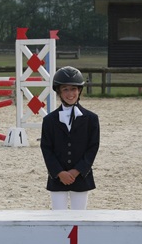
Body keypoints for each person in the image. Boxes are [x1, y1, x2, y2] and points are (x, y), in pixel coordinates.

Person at [40, 66, 100, 210]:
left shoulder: (91, 119)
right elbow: (46, 148)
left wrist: (77, 170)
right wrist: (59, 172)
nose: (70, 93)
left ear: (79, 91)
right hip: (57, 177)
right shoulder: (49, 120)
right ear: (59, 92)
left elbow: (93, 147)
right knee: (58, 218)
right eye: (65, 89)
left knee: (79, 218)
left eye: (73, 89)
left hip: (81, 176)